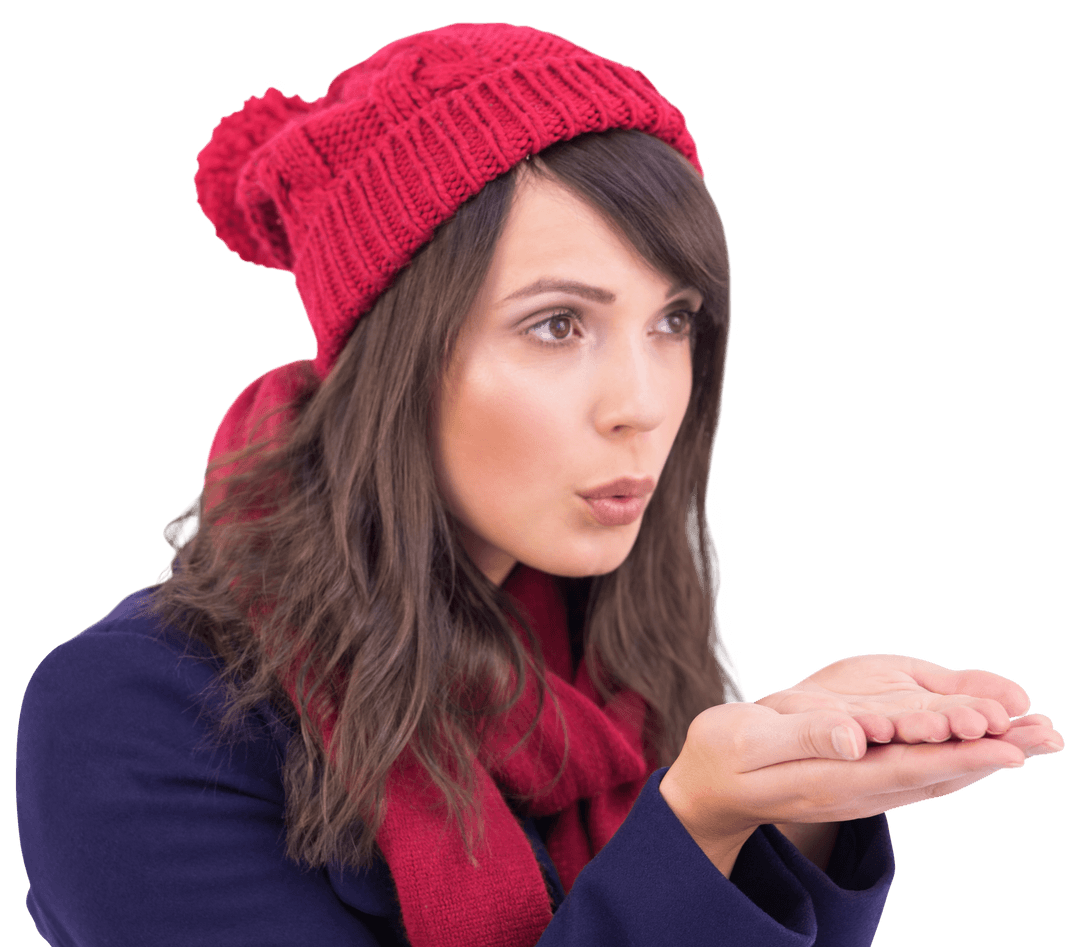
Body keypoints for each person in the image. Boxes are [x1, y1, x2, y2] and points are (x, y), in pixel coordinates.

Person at [14, 21, 1064, 947]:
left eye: (675, 320)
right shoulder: (132, 720)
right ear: (394, 359)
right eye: (558, 323)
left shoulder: (623, 665)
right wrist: (695, 828)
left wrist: (793, 818)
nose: (645, 402)